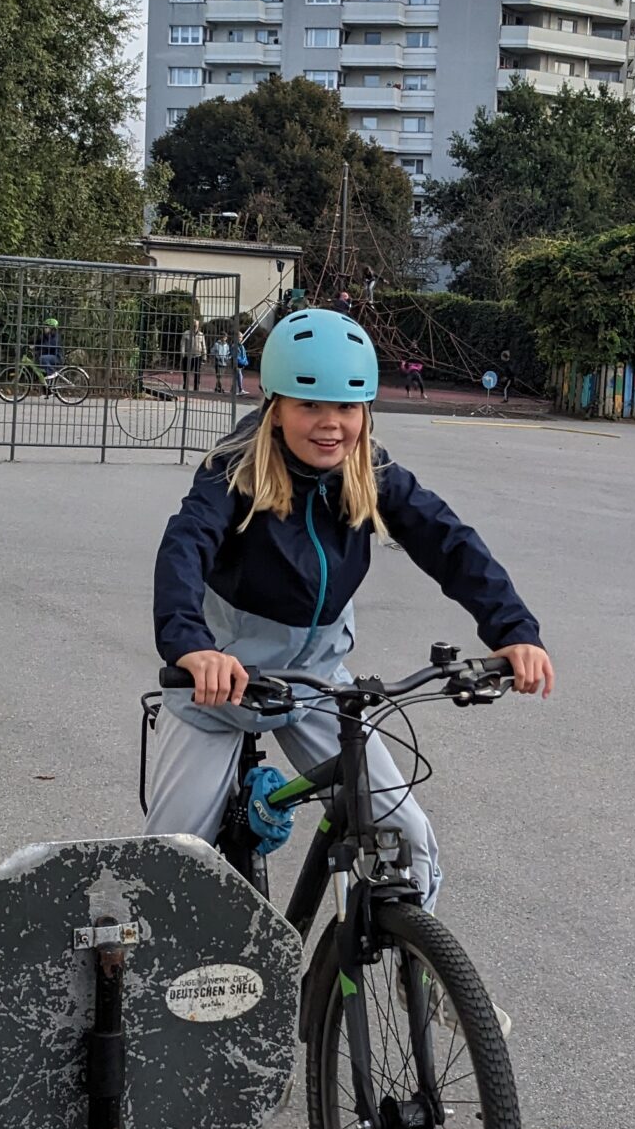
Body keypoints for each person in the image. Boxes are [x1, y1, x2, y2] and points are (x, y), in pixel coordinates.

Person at [146, 306, 554, 913]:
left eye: (348, 406)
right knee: (168, 869)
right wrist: (191, 647)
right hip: (220, 688)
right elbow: (185, 547)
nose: (331, 425)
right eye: (311, 406)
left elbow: (450, 541)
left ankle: (424, 994)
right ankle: (147, 1000)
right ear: (275, 406)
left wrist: (514, 631)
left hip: (316, 684)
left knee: (406, 840)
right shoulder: (234, 471)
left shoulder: (372, 472)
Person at [181, 319, 207, 393]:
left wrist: (204, 356)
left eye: (196, 325)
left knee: (197, 372)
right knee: (186, 371)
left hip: (197, 356)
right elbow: (182, 344)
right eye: (194, 325)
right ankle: (185, 384)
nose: (195, 326)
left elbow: (204, 345)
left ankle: (196, 387)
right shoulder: (186, 333)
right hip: (188, 356)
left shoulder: (201, 334)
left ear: (198, 326)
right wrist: (182, 354)